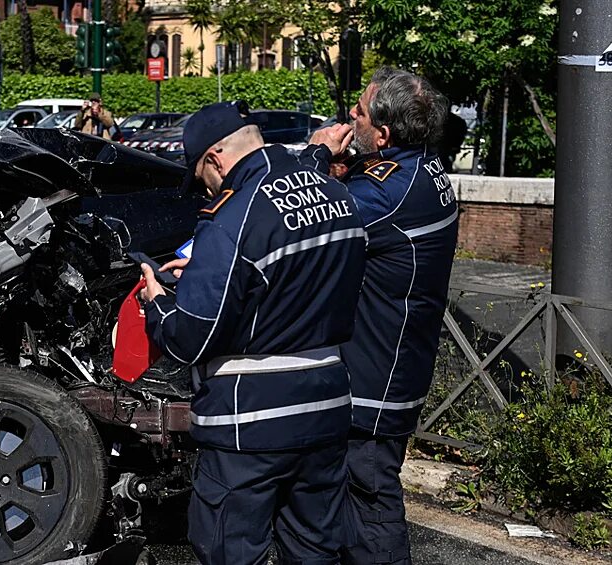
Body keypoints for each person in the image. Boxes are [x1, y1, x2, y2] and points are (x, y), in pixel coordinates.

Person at [138, 100, 366, 564]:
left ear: (216, 158)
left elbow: (190, 338)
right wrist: (210, 270)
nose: (207, 190)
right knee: (315, 550)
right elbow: (285, 271)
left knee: (231, 551)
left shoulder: (229, 218)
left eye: (204, 178)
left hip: (250, 423)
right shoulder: (337, 194)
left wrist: (158, 302)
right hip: (326, 408)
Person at [337, 67, 459, 565]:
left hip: (373, 381)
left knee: (370, 507)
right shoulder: (425, 170)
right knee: (350, 506)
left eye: (360, 112)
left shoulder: (387, 192)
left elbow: (303, 221)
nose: (350, 115)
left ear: (383, 134)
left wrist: (317, 159)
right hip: (397, 364)